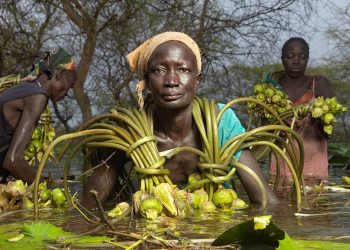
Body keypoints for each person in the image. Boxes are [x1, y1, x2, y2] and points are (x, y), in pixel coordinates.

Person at [81, 32, 279, 209]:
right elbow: (88, 206)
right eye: (159, 70)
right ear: (147, 81)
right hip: (156, 228)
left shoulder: (220, 122)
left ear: (197, 79)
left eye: (183, 70)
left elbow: (265, 201)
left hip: (216, 223)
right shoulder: (131, 132)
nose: (172, 81)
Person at [0, 47, 77, 184]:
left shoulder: (23, 88)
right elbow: (12, 161)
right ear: (58, 74)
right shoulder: (37, 96)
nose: (66, 93)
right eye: (69, 85)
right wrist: (41, 188)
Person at [268, 37, 333, 185]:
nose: (296, 61)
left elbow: (328, 132)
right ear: (282, 59)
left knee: (315, 206)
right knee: (280, 207)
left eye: (302, 56)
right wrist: (277, 126)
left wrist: (318, 121)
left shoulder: (320, 84)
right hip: (280, 172)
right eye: (290, 56)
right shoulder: (272, 89)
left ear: (307, 59)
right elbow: (264, 134)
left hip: (314, 173)